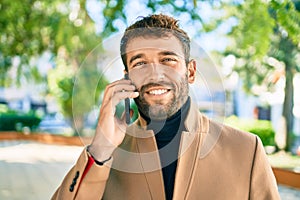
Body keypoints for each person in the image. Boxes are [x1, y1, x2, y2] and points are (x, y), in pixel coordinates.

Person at [52, 14, 280, 200]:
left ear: (190, 71)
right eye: (140, 63)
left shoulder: (246, 150)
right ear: (127, 77)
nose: (155, 74)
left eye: (168, 60)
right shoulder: (107, 155)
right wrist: (100, 149)